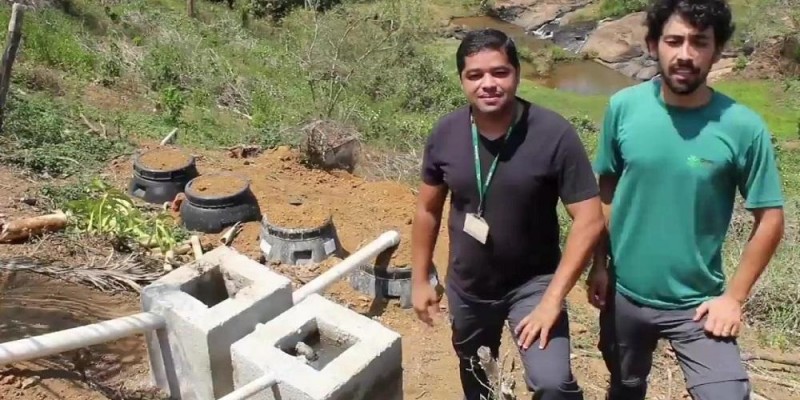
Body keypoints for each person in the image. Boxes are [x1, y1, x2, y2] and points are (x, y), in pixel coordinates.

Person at [588, 1, 786, 399]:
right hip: (624, 294)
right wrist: (599, 263)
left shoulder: (743, 126)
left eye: (699, 43)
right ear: (652, 45)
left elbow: (770, 218)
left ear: (717, 49)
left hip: (699, 306)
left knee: (726, 394)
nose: (684, 54)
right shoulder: (624, 108)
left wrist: (734, 298)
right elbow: (606, 186)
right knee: (625, 386)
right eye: (673, 41)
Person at [410, 28, 604, 400]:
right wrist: (420, 278)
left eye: (499, 72)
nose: (488, 84)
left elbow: (590, 218)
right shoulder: (446, 133)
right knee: (475, 373)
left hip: (534, 285)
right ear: (462, 80)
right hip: (469, 285)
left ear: (517, 73)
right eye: (475, 75)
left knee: (552, 383)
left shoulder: (553, 134)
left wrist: (552, 300)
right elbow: (427, 209)